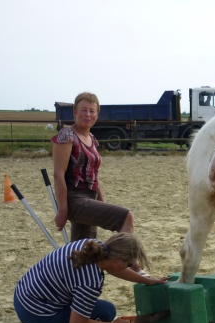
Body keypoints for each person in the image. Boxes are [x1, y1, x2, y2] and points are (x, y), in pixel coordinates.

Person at [13, 232, 169, 323]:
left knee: (106, 310)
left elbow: (114, 268)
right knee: (103, 315)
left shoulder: (93, 246)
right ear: (118, 259)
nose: (128, 268)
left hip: (24, 294)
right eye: (128, 264)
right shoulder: (89, 281)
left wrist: (147, 280)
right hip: (34, 312)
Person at [51, 92, 146, 274]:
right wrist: (63, 209)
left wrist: (101, 203)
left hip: (89, 198)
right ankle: (133, 266)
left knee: (82, 252)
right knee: (126, 217)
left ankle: (72, 286)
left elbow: (95, 176)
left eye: (92, 111)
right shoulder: (66, 135)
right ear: (74, 112)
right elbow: (58, 174)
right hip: (75, 199)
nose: (88, 115)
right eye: (83, 110)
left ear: (97, 114)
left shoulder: (92, 138)